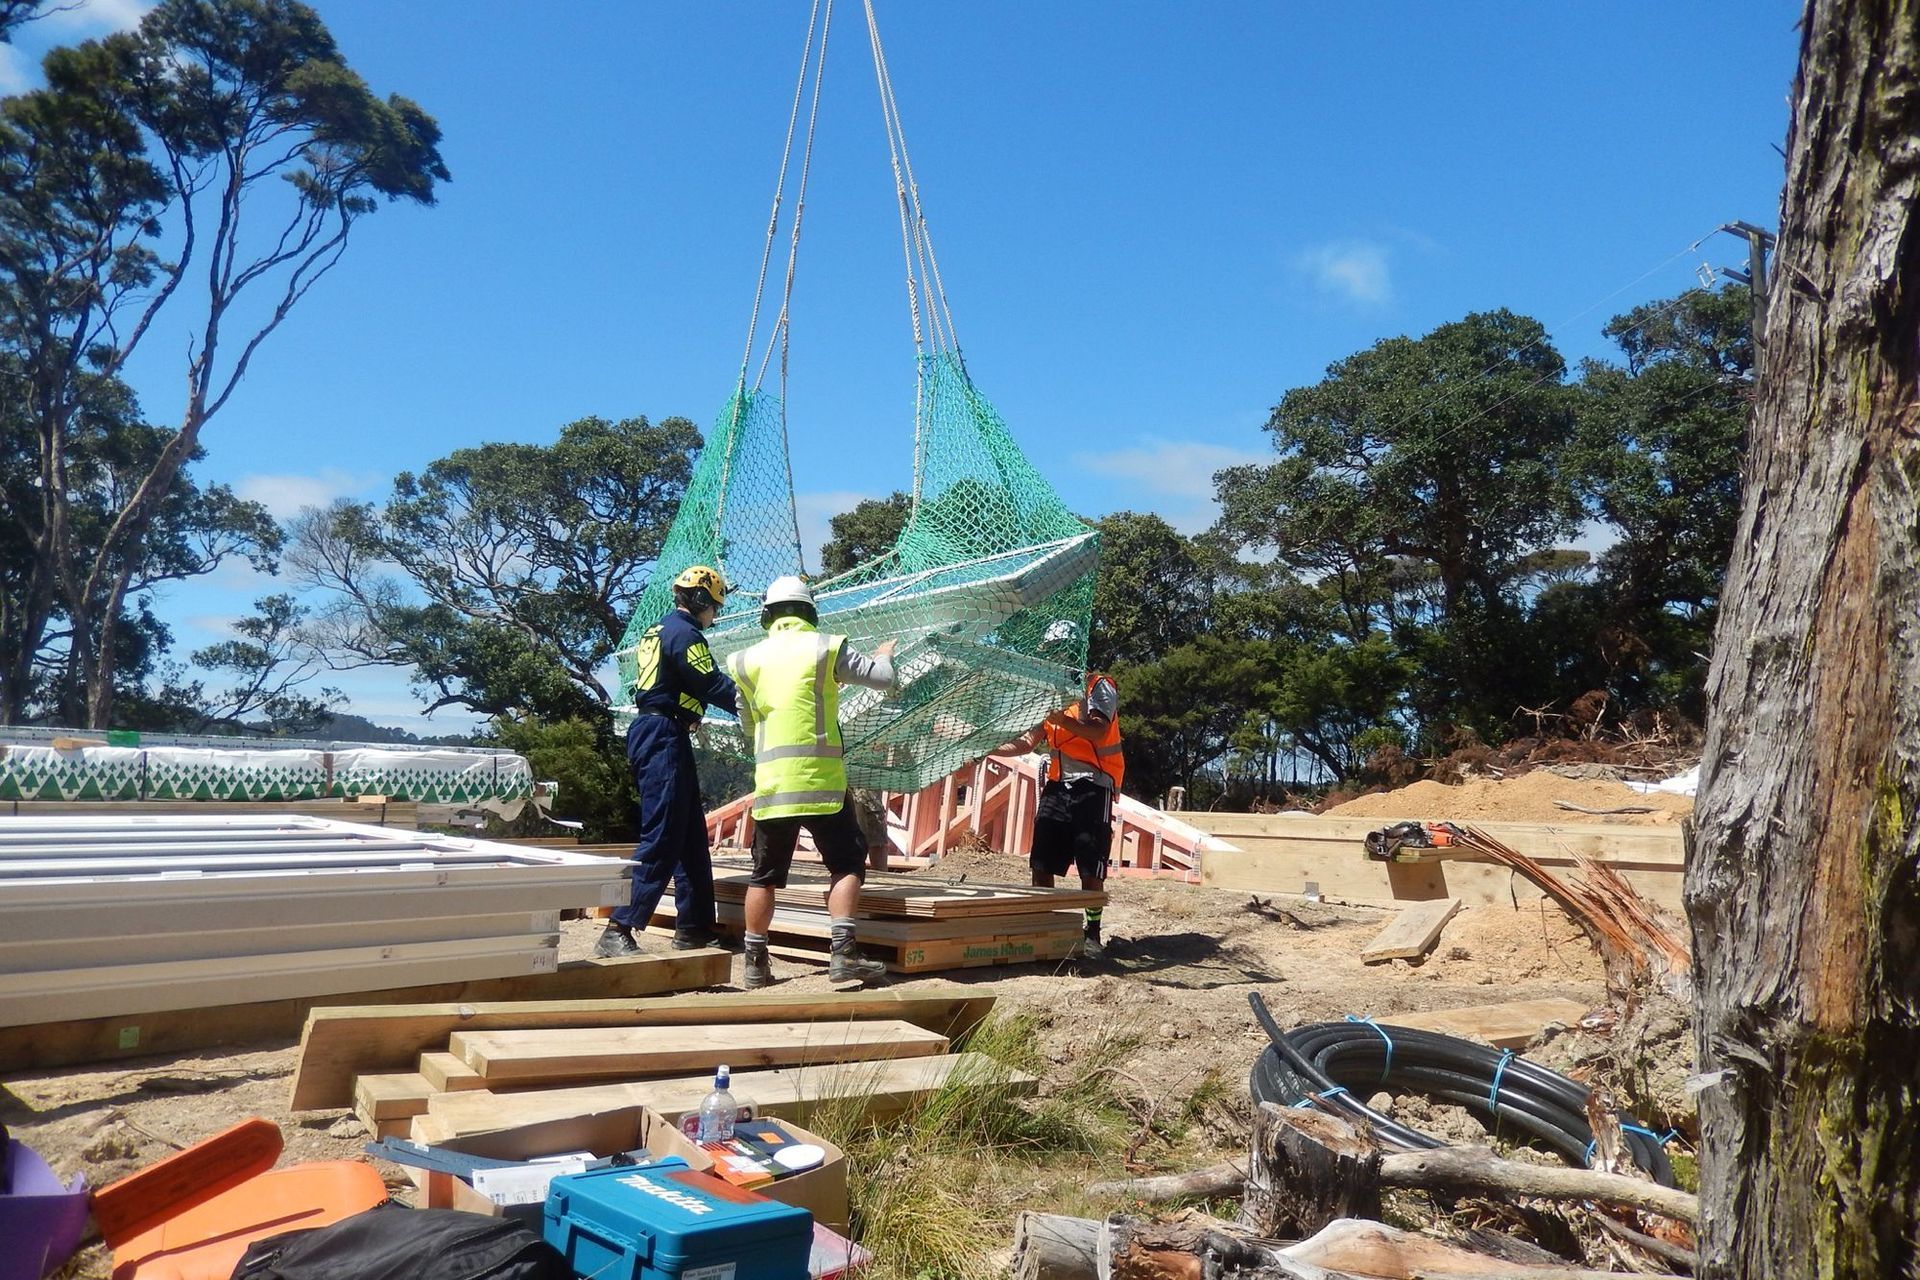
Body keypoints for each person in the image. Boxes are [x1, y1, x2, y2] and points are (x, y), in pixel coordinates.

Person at [727, 575, 898, 989]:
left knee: (764, 876)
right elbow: (882, 679)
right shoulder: (826, 647)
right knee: (847, 864)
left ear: (767, 613)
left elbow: (748, 724)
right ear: (809, 611)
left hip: (773, 787)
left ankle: (754, 963)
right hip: (822, 783)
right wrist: (884, 656)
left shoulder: (745, 662)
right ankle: (843, 954)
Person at [595, 565, 741, 958]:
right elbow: (710, 682)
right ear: (699, 601)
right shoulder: (686, 634)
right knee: (661, 834)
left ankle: (694, 927)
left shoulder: (656, 631)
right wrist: (757, 703)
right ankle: (618, 927)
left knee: (690, 835)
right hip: (663, 737)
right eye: (714, 607)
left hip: (657, 732)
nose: (714, 616)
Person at [989, 671, 1123, 957]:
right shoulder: (1050, 691)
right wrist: (988, 748)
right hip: (1058, 783)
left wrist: (1063, 720)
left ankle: (1093, 932)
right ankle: (1043, 925)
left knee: (1090, 861)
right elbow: (1027, 742)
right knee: (1041, 859)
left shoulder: (1098, 687)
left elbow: (1098, 730)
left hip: (1093, 783)